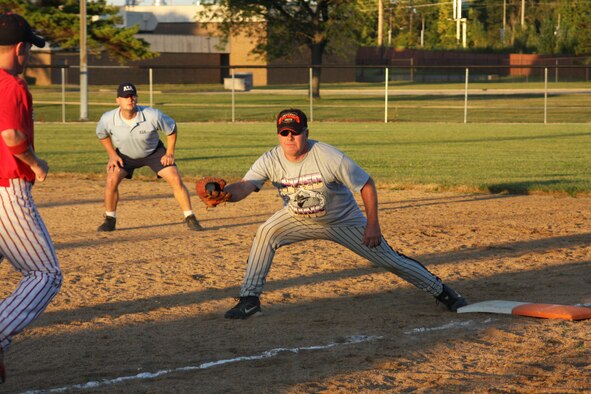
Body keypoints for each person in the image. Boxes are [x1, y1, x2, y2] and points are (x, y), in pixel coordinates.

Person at [219, 109, 467, 319]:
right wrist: (223, 194)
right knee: (266, 232)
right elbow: (245, 186)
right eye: (284, 133)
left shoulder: (328, 156)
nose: (290, 137)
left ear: (306, 132)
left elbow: (366, 184)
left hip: (343, 221)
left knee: (389, 260)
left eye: (295, 132)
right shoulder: (270, 159)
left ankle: (443, 292)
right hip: (296, 218)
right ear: (278, 135)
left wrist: (372, 224)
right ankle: (250, 299)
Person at [0, 12, 63, 383]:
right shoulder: (11, 84)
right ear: (21, 48)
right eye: (29, 49)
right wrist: (35, 162)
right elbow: (10, 135)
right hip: (7, 189)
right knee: (45, 274)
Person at [96, 82, 202, 231]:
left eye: (132, 96)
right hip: (125, 155)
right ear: (118, 100)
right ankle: (110, 219)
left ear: (137, 98)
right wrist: (112, 155)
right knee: (111, 179)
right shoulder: (108, 118)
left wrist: (169, 152)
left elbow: (171, 129)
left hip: (153, 152)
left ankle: (190, 217)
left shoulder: (152, 115)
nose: (130, 99)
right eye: (125, 97)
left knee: (174, 178)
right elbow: (102, 135)